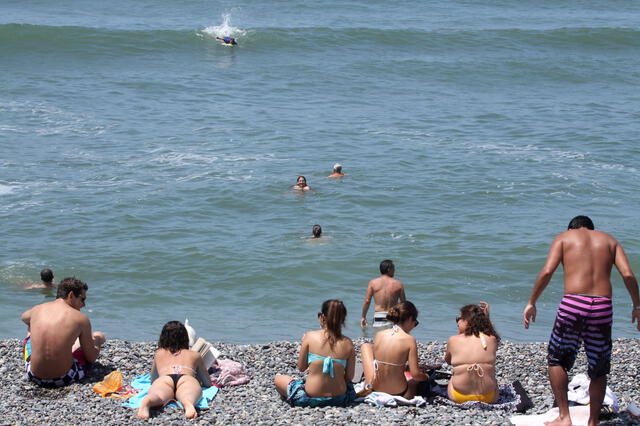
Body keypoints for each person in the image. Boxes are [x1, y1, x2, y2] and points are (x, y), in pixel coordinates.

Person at [523, 215, 640, 426]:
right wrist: (637, 306)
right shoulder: (610, 240)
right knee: (599, 367)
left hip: (573, 304)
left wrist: (532, 301)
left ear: (571, 229)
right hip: (603, 307)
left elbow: (547, 271)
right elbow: (628, 275)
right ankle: (593, 422)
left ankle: (564, 417)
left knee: (557, 360)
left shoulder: (564, 238)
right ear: (592, 229)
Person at [20, 277, 106, 387]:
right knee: (97, 335)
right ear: (71, 295)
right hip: (64, 378)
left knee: (30, 328)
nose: (84, 304)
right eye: (82, 299)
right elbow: (91, 358)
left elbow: (24, 318)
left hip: (34, 376)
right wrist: (98, 341)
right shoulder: (81, 318)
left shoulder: (38, 309)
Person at [274, 300, 356, 407]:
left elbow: (301, 367)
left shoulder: (310, 336)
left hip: (309, 398)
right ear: (343, 319)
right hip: (340, 399)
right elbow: (349, 377)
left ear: (322, 317)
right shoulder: (348, 343)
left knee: (278, 379)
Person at [137, 321, 211, 419]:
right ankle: (188, 403)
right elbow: (207, 382)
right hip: (186, 378)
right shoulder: (194, 355)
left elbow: (153, 379)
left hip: (165, 378)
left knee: (158, 395)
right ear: (185, 337)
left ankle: (148, 401)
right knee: (188, 394)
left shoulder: (159, 353)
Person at [360, 301, 428, 398]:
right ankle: (407, 396)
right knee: (414, 383)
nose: (414, 326)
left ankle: (368, 382)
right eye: (415, 322)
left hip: (376, 388)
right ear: (409, 319)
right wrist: (426, 377)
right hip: (398, 391)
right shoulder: (410, 340)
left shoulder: (379, 334)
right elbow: (416, 374)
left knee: (366, 346)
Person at [445, 302, 499, 403]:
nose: (457, 322)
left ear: (467, 320)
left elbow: (448, 361)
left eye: (459, 319)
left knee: (453, 377)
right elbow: (490, 333)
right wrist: (486, 319)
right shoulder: (491, 339)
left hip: (458, 396)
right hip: (488, 397)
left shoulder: (453, 340)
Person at [360, 260, 406, 328]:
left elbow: (367, 301)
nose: (394, 270)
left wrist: (363, 317)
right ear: (389, 269)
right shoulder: (398, 284)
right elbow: (403, 304)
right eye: (393, 268)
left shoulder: (373, 283)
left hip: (379, 317)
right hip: (392, 316)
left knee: (379, 337)